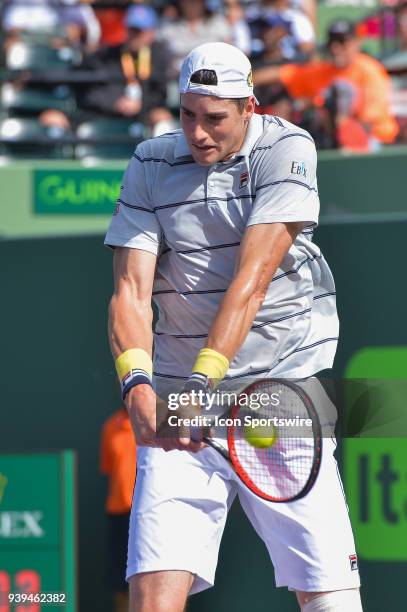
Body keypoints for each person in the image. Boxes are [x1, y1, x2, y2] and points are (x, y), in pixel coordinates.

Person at [105, 42, 363, 612]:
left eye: (215, 118)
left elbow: (252, 279)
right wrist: (138, 384)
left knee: (330, 602)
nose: (198, 133)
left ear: (249, 107)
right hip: (178, 393)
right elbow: (130, 292)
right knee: (151, 599)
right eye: (187, 115)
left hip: (276, 393)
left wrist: (204, 383)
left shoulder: (286, 147)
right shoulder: (150, 161)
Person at [254, 19, 399, 150]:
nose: (335, 48)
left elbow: (369, 123)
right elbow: (280, 74)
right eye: (332, 42)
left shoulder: (369, 70)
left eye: (342, 41)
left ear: (356, 42)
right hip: (332, 141)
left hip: (376, 143)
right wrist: (243, 81)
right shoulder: (321, 70)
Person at [100, 406, 137, 612]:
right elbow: (109, 468)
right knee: (120, 582)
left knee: (164, 575)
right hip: (119, 514)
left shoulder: (162, 420)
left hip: (153, 513)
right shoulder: (110, 426)